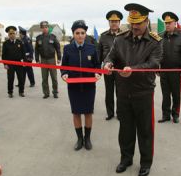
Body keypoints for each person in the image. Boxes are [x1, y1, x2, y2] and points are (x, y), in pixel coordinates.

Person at [104, 3, 162, 176]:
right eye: (132, 22)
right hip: (123, 91)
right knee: (126, 129)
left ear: (146, 21)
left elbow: (154, 63)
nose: (134, 27)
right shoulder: (120, 39)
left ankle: (145, 163)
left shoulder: (155, 42)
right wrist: (107, 63)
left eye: (138, 23)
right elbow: (111, 55)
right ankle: (126, 159)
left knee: (145, 130)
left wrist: (133, 69)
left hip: (143, 92)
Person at [61, 20, 101, 151]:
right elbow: (64, 67)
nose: (80, 35)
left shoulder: (91, 48)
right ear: (73, 34)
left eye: (82, 33)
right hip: (73, 86)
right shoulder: (67, 49)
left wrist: (97, 73)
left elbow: (97, 66)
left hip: (89, 86)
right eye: (77, 33)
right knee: (76, 113)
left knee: (88, 112)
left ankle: (87, 139)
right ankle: (79, 139)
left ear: (85, 34)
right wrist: (64, 74)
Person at [158, 12, 181, 124]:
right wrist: (158, 69)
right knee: (165, 94)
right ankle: (165, 115)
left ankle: (175, 114)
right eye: (166, 23)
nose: (167, 25)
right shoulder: (160, 36)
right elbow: (157, 54)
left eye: (169, 23)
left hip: (177, 72)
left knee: (176, 94)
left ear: (175, 23)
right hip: (163, 71)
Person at [98, 10, 123, 120]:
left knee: (120, 92)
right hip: (107, 69)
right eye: (112, 21)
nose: (114, 23)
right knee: (109, 92)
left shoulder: (124, 35)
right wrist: (98, 71)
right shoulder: (103, 36)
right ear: (109, 22)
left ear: (119, 22)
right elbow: (99, 54)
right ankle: (110, 113)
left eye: (116, 21)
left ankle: (120, 113)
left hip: (119, 69)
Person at [35, 21, 61, 99]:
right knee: (44, 78)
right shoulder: (38, 38)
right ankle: (46, 93)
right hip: (43, 60)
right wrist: (37, 59)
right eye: (43, 27)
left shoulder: (53, 37)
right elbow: (36, 50)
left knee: (54, 78)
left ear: (48, 28)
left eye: (46, 27)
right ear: (41, 28)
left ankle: (55, 92)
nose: (44, 29)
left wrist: (59, 58)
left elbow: (58, 48)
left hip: (52, 60)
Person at [2, 26, 26, 98]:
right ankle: (10, 92)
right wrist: (5, 64)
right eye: (10, 34)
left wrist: (24, 61)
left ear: (15, 34)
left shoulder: (20, 42)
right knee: (10, 79)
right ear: (8, 35)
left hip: (19, 63)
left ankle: (21, 92)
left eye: (13, 33)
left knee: (21, 78)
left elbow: (23, 53)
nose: (12, 35)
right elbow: (4, 55)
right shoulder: (5, 43)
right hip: (10, 64)